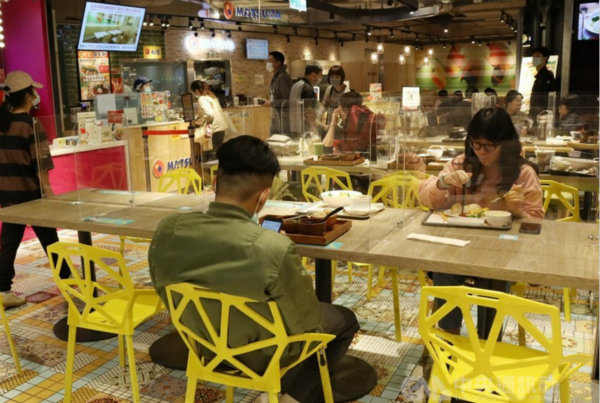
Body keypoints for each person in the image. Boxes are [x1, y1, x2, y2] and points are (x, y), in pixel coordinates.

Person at [149, 136, 359, 403]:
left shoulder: (169, 228)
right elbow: (308, 323)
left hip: (201, 343)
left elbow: (162, 288)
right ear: (263, 197)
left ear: (214, 184)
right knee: (345, 318)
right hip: (264, 355)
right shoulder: (273, 247)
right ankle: (292, 396)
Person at [418, 108, 543, 336]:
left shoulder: (522, 173)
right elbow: (426, 199)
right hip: (458, 249)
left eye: (489, 146)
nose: (481, 152)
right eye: (476, 144)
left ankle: (488, 340)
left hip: (501, 253)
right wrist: (443, 182)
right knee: (445, 271)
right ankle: (449, 339)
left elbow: (535, 222)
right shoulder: (461, 164)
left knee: (493, 280)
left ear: (505, 143)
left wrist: (517, 211)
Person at [0, 71, 71, 308]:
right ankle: (67, 281)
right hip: (31, 195)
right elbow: (40, 165)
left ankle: (2, 290)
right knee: (50, 239)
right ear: (28, 96)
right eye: (33, 91)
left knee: (9, 242)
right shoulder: (30, 124)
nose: (35, 95)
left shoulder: (2, 123)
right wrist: (50, 196)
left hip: (7, 194)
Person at [322, 91, 385, 161]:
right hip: (369, 162)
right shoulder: (368, 118)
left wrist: (333, 123)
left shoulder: (346, 129)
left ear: (342, 110)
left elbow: (326, 149)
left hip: (350, 164)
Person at [191, 80, 229, 154]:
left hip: (214, 129)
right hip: (220, 128)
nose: (194, 94)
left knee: (212, 153)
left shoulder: (202, 99)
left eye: (194, 92)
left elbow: (209, 114)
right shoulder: (211, 96)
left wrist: (200, 121)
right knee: (218, 152)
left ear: (196, 90)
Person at [289, 64, 326, 139]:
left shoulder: (296, 85)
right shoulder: (308, 89)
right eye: (320, 76)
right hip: (304, 129)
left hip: (293, 127)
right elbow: (309, 115)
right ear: (313, 75)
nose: (320, 79)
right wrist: (316, 135)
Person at [263, 51, 293, 135]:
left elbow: (288, 101)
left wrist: (271, 103)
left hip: (283, 119)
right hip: (276, 117)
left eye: (270, 61)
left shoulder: (283, 77)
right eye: (267, 61)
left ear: (278, 63)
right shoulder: (276, 77)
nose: (268, 63)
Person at [529, 46, 556, 119]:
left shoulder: (547, 75)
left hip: (542, 115)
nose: (535, 59)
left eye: (538, 56)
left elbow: (546, 97)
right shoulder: (538, 77)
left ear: (545, 58)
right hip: (537, 114)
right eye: (533, 56)